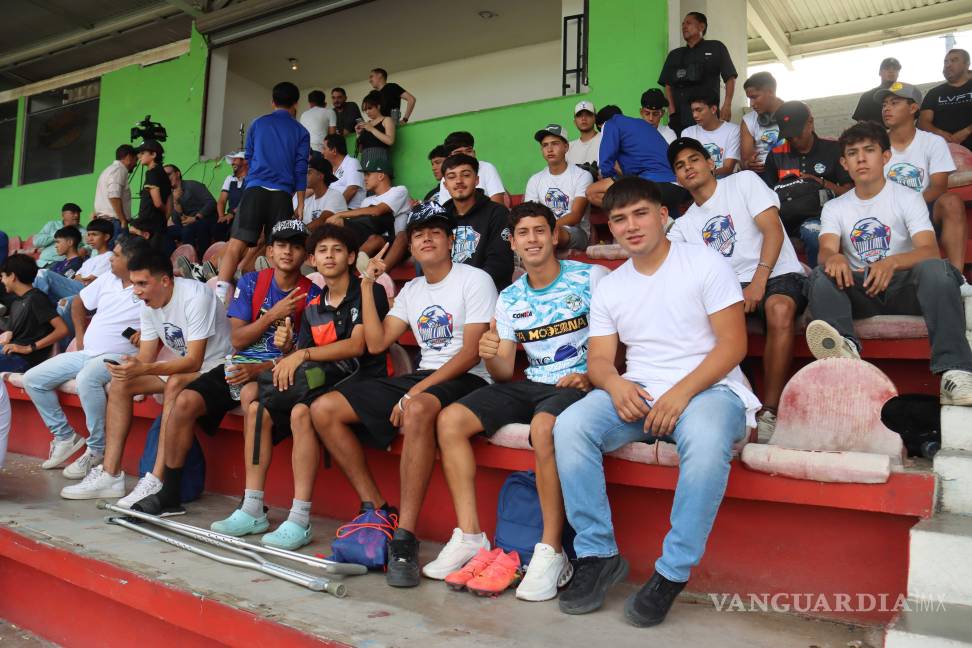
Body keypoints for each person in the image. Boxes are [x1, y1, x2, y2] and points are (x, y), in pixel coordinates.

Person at [552, 177, 758, 626]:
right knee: (568, 427)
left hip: (710, 388)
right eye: (619, 219)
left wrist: (681, 393)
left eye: (640, 213)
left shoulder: (705, 263)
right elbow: (600, 360)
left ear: (664, 215)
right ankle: (596, 553)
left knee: (704, 447)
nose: (631, 226)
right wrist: (615, 385)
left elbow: (732, 346)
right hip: (640, 389)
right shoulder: (611, 285)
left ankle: (671, 572)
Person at [426, 202, 608, 599]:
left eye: (539, 230)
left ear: (554, 234)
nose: (532, 239)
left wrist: (595, 374)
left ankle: (551, 550)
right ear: (512, 242)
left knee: (544, 427)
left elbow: (619, 338)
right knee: (450, 420)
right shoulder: (509, 298)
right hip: (531, 383)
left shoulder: (591, 277)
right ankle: (471, 535)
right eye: (522, 233)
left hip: (578, 383)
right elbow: (505, 371)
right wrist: (491, 350)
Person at [309, 205, 497, 588]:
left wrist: (416, 389)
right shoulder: (412, 289)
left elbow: (471, 352)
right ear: (410, 246)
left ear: (450, 240)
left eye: (435, 232)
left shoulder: (474, 279)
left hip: (469, 378)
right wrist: (366, 286)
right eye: (418, 235)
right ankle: (378, 508)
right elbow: (376, 343)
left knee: (417, 408)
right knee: (323, 408)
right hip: (425, 377)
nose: (426, 238)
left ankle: (405, 537)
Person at [132, 221, 313, 517]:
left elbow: (304, 354)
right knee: (184, 401)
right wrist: (273, 317)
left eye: (295, 246)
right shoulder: (253, 283)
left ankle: (252, 501)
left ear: (305, 254)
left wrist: (265, 365)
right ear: (270, 250)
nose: (288, 252)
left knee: (252, 402)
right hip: (238, 366)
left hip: (277, 372)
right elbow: (238, 339)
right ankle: (170, 492)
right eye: (281, 245)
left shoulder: (312, 292)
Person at [235, 224, 391, 548]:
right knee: (257, 406)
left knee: (301, 413)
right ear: (313, 260)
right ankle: (251, 506)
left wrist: (301, 353)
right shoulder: (315, 302)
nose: (330, 256)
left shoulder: (367, 290)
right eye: (322, 251)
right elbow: (301, 355)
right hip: (324, 379)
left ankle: (300, 517)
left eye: (337, 250)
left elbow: (357, 346)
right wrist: (287, 346)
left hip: (361, 379)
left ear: (351, 257)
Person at [805, 121, 972, 406]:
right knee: (821, 276)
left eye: (869, 150)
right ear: (844, 163)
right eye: (853, 153)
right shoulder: (835, 207)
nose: (861, 158)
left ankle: (955, 370)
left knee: (937, 269)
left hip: (905, 289)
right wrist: (834, 257)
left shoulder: (908, 198)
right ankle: (844, 352)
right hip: (863, 289)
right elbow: (826, 249)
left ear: (885, 157)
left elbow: (929, 250)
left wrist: (891, 262)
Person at [60, 248, 232, 501]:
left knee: (175, 382)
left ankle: (155, 479)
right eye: (134, 284)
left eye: (142, 283)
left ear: (164, 280)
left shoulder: (196, 296)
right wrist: (129, 366)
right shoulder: (148, 304)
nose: (136, 290)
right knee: (121, 384)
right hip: (181, 367)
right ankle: (110, 475)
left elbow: (194, 361)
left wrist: (145, 368)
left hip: (216, 368)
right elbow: (146, 358)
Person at [668, 138, 806, 438]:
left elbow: (772, 229)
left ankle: (770, 411)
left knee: (778, 308)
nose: (688, 167)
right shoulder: (685, 224)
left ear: (710, 163)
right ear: (676, 178)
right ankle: (738, 406)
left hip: (777, 274)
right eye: (680, 165)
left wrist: (758, 281)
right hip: (730, 290)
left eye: (693, 159)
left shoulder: (743, 181)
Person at [24, 236, 147, 480]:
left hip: (121, 356)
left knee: (88, 378)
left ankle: (97, 449)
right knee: (33, 379)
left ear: (132, 259)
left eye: (117, 255)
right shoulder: (108, 279)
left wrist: (147, 332)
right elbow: (78, 302)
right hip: (87, 352)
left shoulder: (146, 284)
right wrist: (80, 336)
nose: (111, 259)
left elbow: (166, 316)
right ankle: (65, 437)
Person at [214, 82, 309, 305]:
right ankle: (275, 300)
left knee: (236, 244)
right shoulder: (301, 132)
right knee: (279, 247)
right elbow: (300, 168)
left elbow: (250, 154)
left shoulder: (258, 123)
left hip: (255, 189)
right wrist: (301, 202)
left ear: (272, 102)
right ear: (296, 103)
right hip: (282, 195)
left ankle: (219, 296)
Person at [880, 82, 968, 282]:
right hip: (886, 213)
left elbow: (938, 187)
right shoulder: (875, 145)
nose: (886, 108)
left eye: (894, 103)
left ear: (913, 108)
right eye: (884, 104)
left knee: (951, 201)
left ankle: (955, 278)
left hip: (924, 209)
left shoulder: (932, 142)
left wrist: (910, 207)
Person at [764, 101, 852, 267]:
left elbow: (850, 192)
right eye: (789, 136)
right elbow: (765, 200)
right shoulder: (776, 155)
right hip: (786, 221)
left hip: (824, 218)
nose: (794, 139)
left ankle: (818, 285)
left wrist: (820, 182)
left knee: (813, 233)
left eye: (797, 133)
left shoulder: (834, 149)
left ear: (810, 123)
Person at [586, 105, 688, 217]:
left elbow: (605, 164)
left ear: (601, 125)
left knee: (592, 192)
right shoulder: (641, 124)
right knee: (672, 230)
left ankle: (630, 218)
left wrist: (607, 178)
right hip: (677, 187)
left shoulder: (611, 123)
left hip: (654, 184)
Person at [440, 154, 514, 291]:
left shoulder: (497, 213)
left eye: (466, 175)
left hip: (487, 293)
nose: (459, 181)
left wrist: (467, 290)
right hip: (449, 294)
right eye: (451, 177)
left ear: (476, 180)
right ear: (445, 185)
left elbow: (500, 264)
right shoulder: (440, 217)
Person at [34, 219, 115, 340]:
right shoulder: (90, 260)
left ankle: (36, 307)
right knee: (63, 302)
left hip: (92, 295)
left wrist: (82, 278)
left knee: (44, 273)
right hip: (80, 291)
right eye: (88, 234)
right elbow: (78, 278)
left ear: (106, 236)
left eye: (95, 235)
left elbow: (92, 282)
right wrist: (83, 279)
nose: (90, 239)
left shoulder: (109, 257)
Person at [658, 11, 737, 133]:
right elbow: (668, 85)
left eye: (688, 23)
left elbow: (730, 77)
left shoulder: (716, 47)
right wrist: (672, 113)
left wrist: (727, 105)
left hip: (709, 116)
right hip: (680, 118)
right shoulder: (674, 54)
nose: (684, 26)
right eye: (683, 24)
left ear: (701, 26)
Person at [525, 125, 593, 250]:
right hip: (541, 231)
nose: (549, 149)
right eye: (545, 145)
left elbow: (575, 216)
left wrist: (546, 228)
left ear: (566, 147)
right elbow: (529, 214)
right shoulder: (535, 180)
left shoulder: (582, 175)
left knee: (554, 234)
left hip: (575, 232)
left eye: (555, 144)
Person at [0, 255, 69, 373]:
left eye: (3, 276)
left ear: (12, 276)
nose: (1, 280)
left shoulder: (36, 298)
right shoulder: (16, 303)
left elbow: (62, 329)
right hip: (8, 354)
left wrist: (29, 348)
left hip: (22, 359)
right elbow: (11, 334)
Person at [328, 157, 410, 256]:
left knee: (374, 239)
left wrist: (339, 215)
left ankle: (350, 264)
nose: (364, 178)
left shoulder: (399, 190)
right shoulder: (366, 201)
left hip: (394, 244)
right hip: (368, 240)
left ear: (380, 176)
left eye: (368, 174)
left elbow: (377, 210)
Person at [920, 49, 972, 151]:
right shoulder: (933, 93)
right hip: (944, 153)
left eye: (954, 60)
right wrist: (941, 134)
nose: (948, 65)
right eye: (946, 61)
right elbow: (923, 122)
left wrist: (966, 131)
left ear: (967, 64)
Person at [436, 132, 507, 205]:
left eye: (468, 151)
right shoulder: (446, 178)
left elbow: (498, 204)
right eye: (458, 153)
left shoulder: (487, 168)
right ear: (449, 157)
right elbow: (445, 209)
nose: (465, 155)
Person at [680, 94, 741, 177]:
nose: (695, 115)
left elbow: (728, 168)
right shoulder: (687, 133)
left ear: (713, 109)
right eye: (693, 111)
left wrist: (705, 175)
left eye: (699, 110)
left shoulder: (733, 130)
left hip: (725, 182)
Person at [165, 164, 218, 258]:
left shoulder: (192, 185)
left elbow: (211, 202)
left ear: (177, 174)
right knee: (164, 232)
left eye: (169, 174)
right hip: (187, 224)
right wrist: (176, 202)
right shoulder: (170, 195)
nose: (166, 178)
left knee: (190, 230)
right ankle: (172, 261)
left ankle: (194, 261)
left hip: (203, 220)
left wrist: (196, 217)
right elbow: (177, 221)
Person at [741, 72, 784, 175]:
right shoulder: (748, 120)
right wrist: (749, 164)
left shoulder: (797, 111)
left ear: (770, 92)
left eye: (754, 97)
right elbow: (745, 161)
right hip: (763, 173)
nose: (751, 104)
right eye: (749, 98)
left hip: (791, 168)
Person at [134, 139, 171, 239]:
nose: (139, 156)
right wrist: (164, 216)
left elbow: (158, 203)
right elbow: (169, 199)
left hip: (148, 224)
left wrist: (163, 211)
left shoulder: (152, 173)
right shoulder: (163, 173)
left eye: (142, 153)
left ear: (153, 155)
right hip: (158, 224)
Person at [93, 144, 137, 229]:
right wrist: (123, 220)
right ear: (129, 157)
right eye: (136, 160)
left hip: (106, 221)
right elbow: (114, 196)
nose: (136, 164)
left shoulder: (109, 170)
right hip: (114, 222)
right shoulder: (119, 170)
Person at [297, 156, 346, 228]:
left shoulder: (335, 196)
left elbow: (322, 221)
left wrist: (300, 234)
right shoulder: (307, 200)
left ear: (320, 176)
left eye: (309, 172)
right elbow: (295, 220)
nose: (305, 176)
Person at [34, 203, 86, 268]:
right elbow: (36, 242)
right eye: (73, 213)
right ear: (63, 215)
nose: (76, 215)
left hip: (61, 264)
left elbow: (90, 245)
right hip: (41, 262)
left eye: (78, 213)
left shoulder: (83, 231)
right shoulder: (52, 225)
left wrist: (85, 249)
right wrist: (58, 234)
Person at [852, 57, 901, 125]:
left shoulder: (904, 95)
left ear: (898, 73)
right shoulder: (867, 96)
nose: (891, 71)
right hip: (875, 135)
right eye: (887, 68)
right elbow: (861, 124)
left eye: (895, 69)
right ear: (880, 73)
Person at [323, 133, 365, 209]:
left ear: (334, 151)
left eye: (324, 148)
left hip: (350, 212)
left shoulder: (352, 163)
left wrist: (333, 210)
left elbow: (352, 190)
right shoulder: (329, 169)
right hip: (333, 212)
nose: (322, 152)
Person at [356, 90, 396, 164]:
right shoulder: (367, 124)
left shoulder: (386, 120)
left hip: (380, 161)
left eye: (370, 108)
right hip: (365, 161)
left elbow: (390, 141)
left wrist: (371, 129)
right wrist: (358, 134)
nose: (367, 112)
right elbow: (360, 150)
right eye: (365, 110)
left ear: (378, 106)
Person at [216, 151, 248, 240]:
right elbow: (222, 200)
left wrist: (232, 214)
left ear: (245, 161)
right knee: (217, 227)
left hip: (244, 217)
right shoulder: (229, 178)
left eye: (235, 160)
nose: (232, 163)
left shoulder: (252, 180)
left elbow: (247, 201)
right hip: (229, 216)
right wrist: (221, 216)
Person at [566, 100, 603, 167]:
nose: (583, 118)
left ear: (595, 118)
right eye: (579, 115)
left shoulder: (605, 139)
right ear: (575, 122)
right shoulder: (568, 147)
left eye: (588, 115)